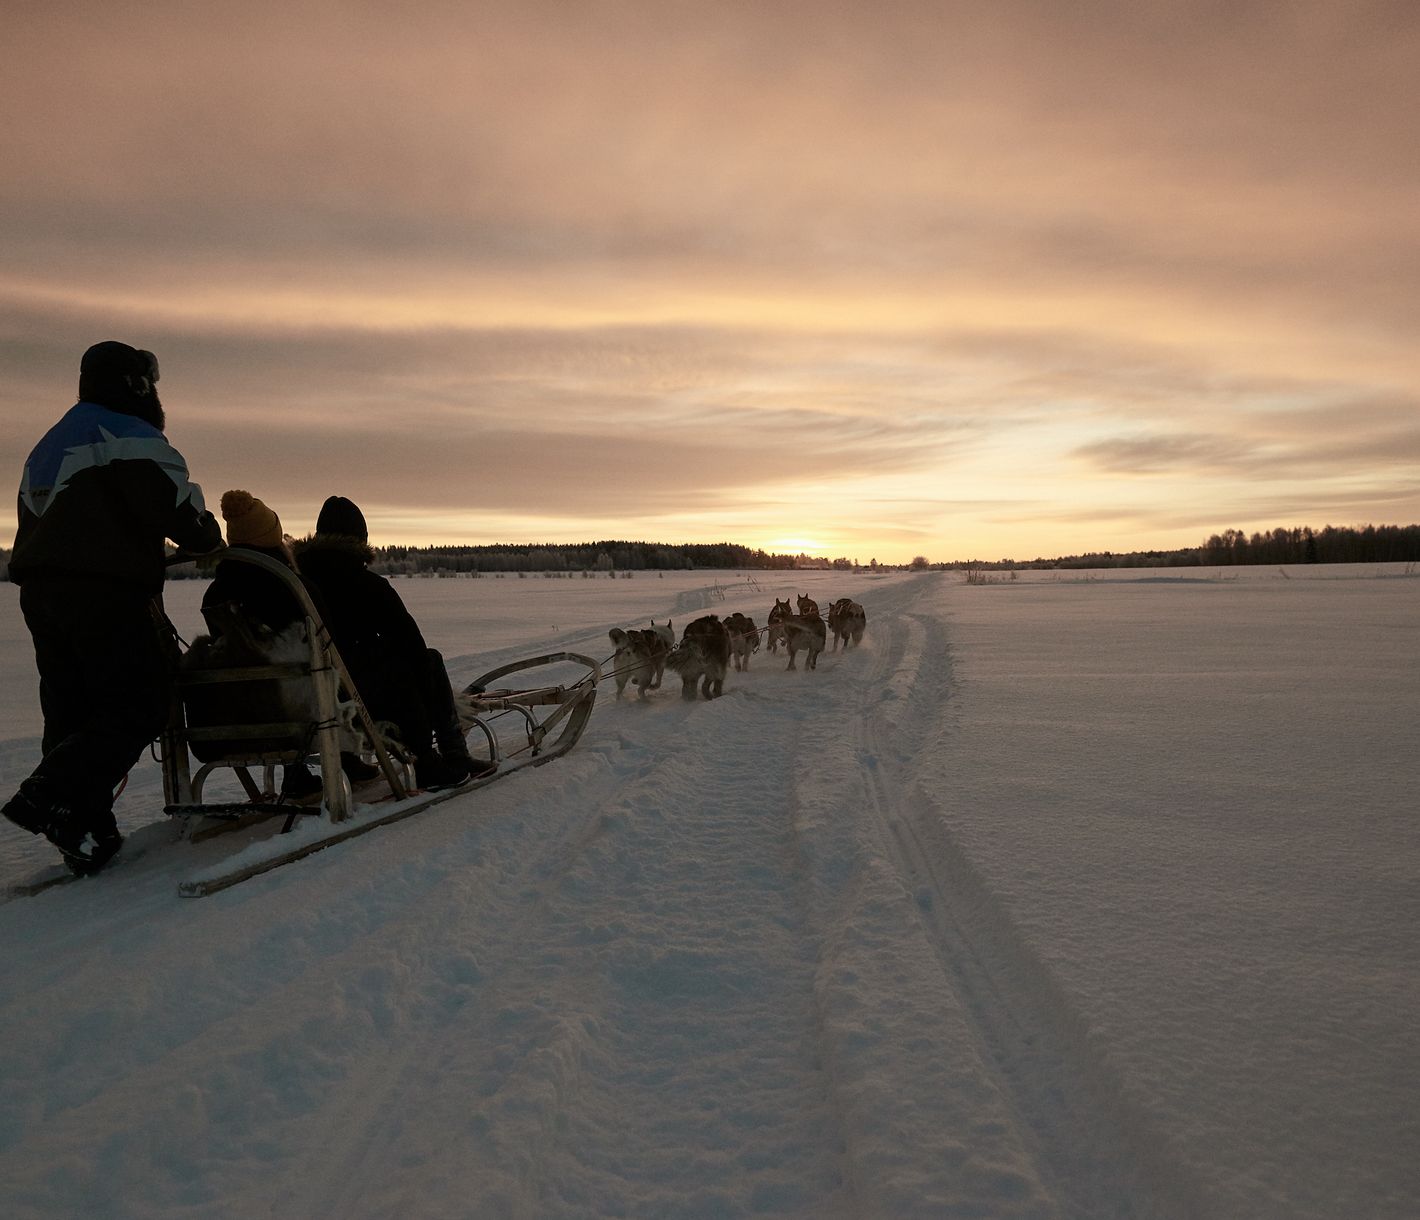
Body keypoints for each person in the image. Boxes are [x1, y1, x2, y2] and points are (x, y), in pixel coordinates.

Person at [2, 341, 222, 873]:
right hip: (104, 592)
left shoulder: (51, 442)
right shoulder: (132, 437)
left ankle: (85, 826)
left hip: (42, 595)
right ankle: (48, 796)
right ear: (136, 385)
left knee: (73, 708)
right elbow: (187, 522)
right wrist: (207, 537)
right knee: (140, 702)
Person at [293, 496, 493, 789]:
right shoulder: (368, 586)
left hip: (313, 700)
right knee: (428, 661)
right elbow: (412, 645)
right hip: (364, 704)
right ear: (360, 539)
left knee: (364, 667)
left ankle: (348, 760)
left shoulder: (298, 586)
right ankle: (442, 756)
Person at [198, 490, 323, 802]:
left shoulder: (216, 596)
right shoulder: (294, 587)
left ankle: (298, 773)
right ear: (272, 537)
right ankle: (338, 764)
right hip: (298, 717)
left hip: (236, 717)